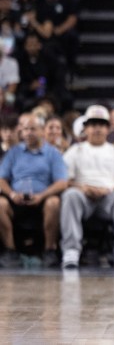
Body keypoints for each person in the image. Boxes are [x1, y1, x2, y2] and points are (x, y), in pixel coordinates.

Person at [60, 105, 114, 269]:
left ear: (108, 129)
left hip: (109, 197)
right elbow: (64, 181)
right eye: (93, 125)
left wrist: (107, 190)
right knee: (70, 195)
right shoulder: (75, 150)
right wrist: (83, 188)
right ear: (85, 128)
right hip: (83, 196)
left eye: (101, 125)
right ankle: (71, 250)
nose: (97, 129)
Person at [0, 114, 67, 267]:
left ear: (42, 131)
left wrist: (42, 195)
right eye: (25, 129)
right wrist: (12, 194)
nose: (28, 133)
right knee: (0, 204)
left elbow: (62, 183)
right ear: (21, 132)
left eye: (33, 129)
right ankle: (10, 250)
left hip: (42, 201)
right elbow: (1, 179)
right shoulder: (13, 153)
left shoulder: (53, 153)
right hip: (16, 200)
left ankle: (49, 250)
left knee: (54, 202)